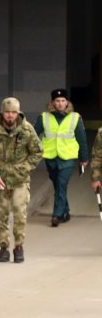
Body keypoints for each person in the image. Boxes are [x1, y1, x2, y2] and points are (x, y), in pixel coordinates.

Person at [0, 97, 43, 263]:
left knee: (20, 212)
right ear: (2, 112)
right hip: (0, 180)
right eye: (7, 112)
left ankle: (19, 246)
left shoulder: (26, 130)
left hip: (20, 179)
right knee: (2, 214)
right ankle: (3, 247)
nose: (10, 116)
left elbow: (37, 152)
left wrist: (24, 169)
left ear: (18, 113)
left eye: (13, 112)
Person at [33, 88, 89, 227]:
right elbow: (33, 135)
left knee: (61, 184)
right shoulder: (44, 117)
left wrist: (84, 158)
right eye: (57, 101)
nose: (60, 103)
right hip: (50, 157)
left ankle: (56, 215)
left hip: (68, 157)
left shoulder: (75, 118)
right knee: (57, 185)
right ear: (52, 102)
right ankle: (65, 211)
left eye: (63, 101)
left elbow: (82, 140)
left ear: (67, 102)